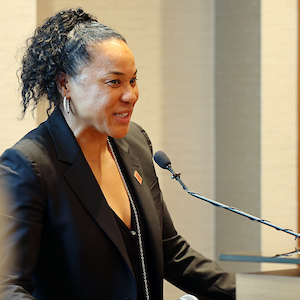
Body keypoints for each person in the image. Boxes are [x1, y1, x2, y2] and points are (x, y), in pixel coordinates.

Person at [0, 8, 235, 300]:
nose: (131, 95)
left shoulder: (135, 142)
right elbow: (8, 287)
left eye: (133, 80)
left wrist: (256, 294)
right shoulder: (26, 166)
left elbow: (171, 252)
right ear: (65, 84)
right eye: (114, 82)